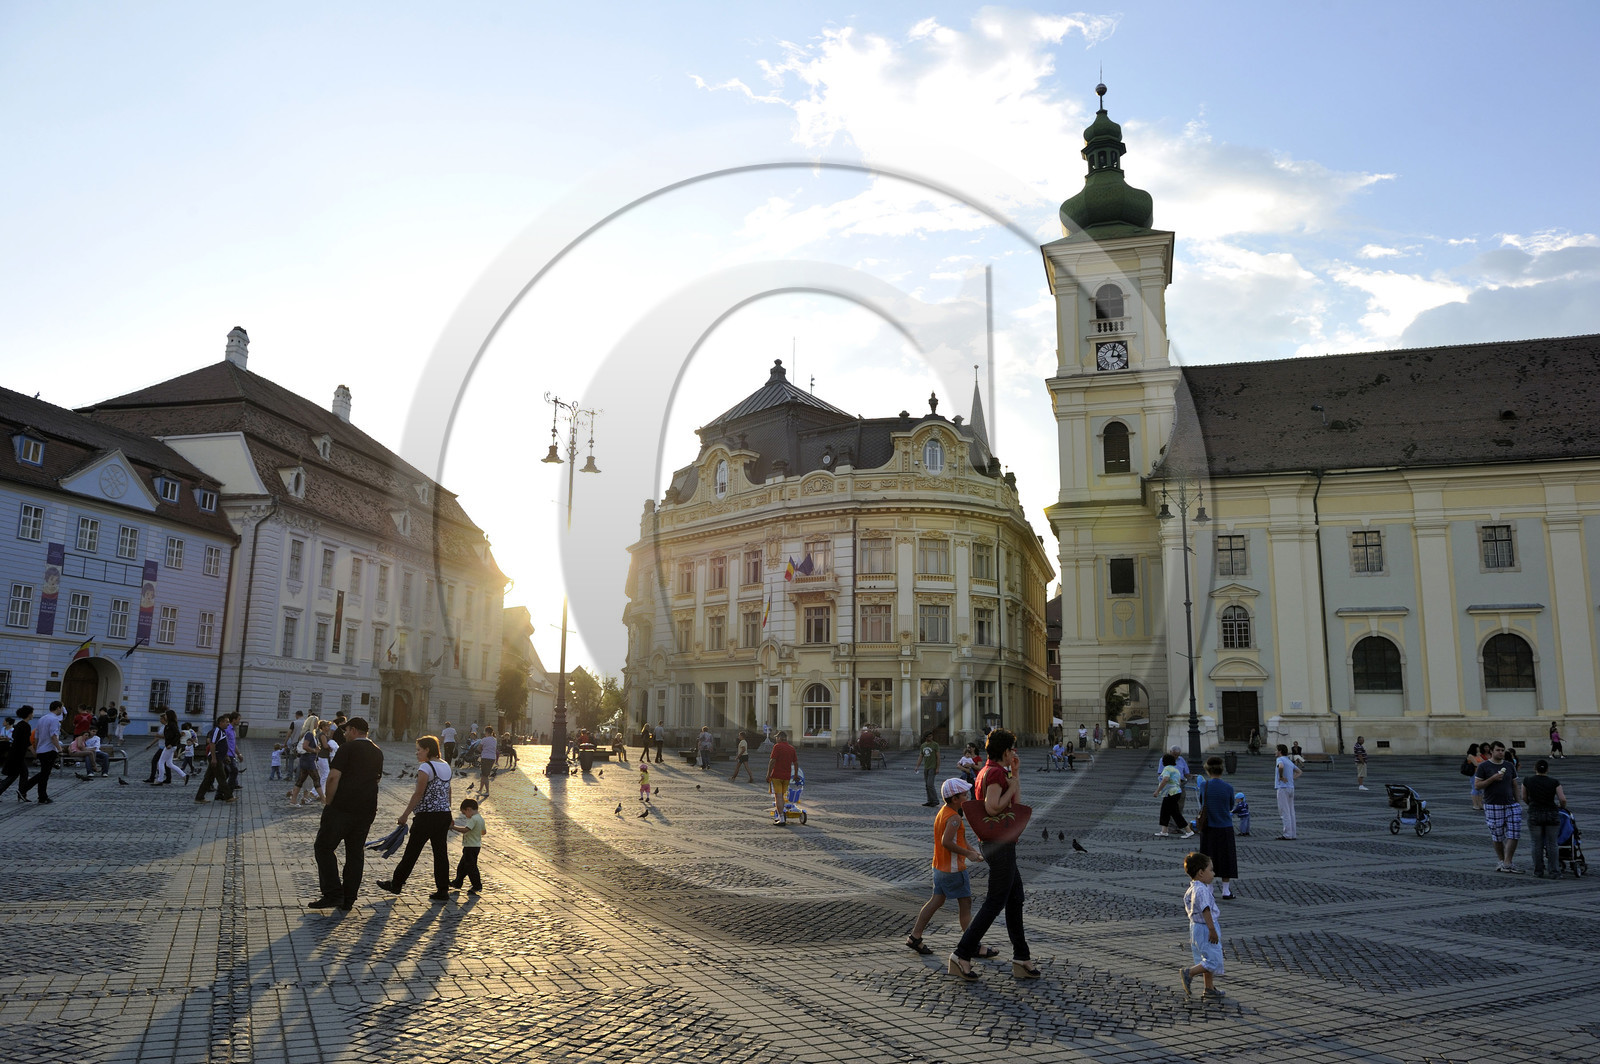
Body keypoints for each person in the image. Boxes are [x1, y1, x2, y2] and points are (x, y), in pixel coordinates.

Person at [947, 728, 1036, 982]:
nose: (1014, 754)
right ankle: (961, 953)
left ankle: (1022, 957)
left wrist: (1015, 776)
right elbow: (993, 807)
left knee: (1015, 898)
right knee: (995, 902)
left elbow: (1014, 804)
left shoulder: (991, 771)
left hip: (998, 843)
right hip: (999, 845)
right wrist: (1011, 784)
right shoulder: (995, 773)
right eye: (1012, 750)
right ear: (1006, 751)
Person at [905, 778, 990, 956]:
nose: (968, 796)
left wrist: (974, 852)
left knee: (936, 901)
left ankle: (915, 936)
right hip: (953, 869)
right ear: (955, 798)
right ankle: (972, 945)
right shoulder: (954, 818)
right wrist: (968, 855)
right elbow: (946, 842)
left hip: (940, 867)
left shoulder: (944, 811)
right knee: (965, 903)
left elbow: (960, 839)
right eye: (965, 794)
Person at [309, 716, 384, 911]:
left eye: (345, 730)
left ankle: (333, 893)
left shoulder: (347, 748)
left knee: (324, 847)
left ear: (353, 730)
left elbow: (333, 777)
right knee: (355, 853)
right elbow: (376, 780)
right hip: (366, 809)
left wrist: (329, 801)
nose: (344, 734)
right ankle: (348, 898)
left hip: (342, 808)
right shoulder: (377, 751)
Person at [378, 735, 454, 902]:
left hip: (426, 816)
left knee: (412, 852)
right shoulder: (446, 765)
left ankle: (396, 884)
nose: (416, 753)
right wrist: (449, 812)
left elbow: (418, 794)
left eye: (419, 749)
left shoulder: (425, 768)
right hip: (443, 815)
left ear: (428, 750)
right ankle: (443, 890)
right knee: (440, 853)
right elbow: (448, 791)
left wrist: (405, 814)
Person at [1179, 851, 1224, 1000]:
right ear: (1200, 873)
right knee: (1213, 960)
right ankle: (1189, 973)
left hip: (1196, 927)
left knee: (1206, 956)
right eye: (1210, 870)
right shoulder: (1201, 890)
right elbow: (1206, 910)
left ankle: (1209, 988)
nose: (1213, 873)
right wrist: (1212, 929)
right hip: (1205, 927)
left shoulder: (1192, 889)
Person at [1474, 740, 1523, 873]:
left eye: (1502, 750)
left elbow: (1514, 784)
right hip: (1492, 804)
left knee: (1514, 833)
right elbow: (1477, 785)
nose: (1501, 752)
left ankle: (1508, 862)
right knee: (1497, 836)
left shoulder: (1509, 765)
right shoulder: (1484, 766)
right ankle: (1502, 861)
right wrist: (1492, 779)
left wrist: (1518, 802)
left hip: (1511, 804)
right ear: (1491, 751)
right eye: (1498, 750)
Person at [1196, 757, 1238, 899]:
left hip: (1209, 827)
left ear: (1208, 770)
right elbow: (1231, 806)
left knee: (1208, 858)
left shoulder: (1204, 786)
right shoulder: (1228, 787)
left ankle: (1210, 888)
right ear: (1222, 770)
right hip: (1225, 826)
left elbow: (1202, 803)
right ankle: (1226, 890)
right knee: (1226, 857)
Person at [1522, 759, 1568, 879]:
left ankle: (1538, 871)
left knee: (1536, 844)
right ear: (1547, 769)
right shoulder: (1554, 782)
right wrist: (1561, 807)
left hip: (1534, 813)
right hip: (1551, 813)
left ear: (1534, 768)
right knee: (1552, 844)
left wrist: (1530, 804)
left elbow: (1524, 797)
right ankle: (1554, 872)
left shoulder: (1527, 781)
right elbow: (1562, 799)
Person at [21, 701, 66, 804]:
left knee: (44, 774)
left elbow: (36, 736)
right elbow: (54, 736)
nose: (62, 710)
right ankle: (30, 791)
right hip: (49, 750)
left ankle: (40, 795)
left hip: (41, 749)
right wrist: (59, 749)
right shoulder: (54, 720)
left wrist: (37, 749)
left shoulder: (42, 718)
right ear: (58, 708)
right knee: (44, 774)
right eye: (61, 708)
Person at [450, 797, 486, 893]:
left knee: (471, 867)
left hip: (470, 846)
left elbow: (465, 829)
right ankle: (457, 882)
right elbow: (483, 832)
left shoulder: (473, 819)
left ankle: (477, 885)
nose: (465, 815)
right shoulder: (480, 818)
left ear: (469, 809)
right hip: (476, 845)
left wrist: (453, 827)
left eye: (464, 813)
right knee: (463, 866)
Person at [1152, 753, 1190, 838]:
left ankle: (1188, 830)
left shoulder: (1167, 769)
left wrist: (1157, 791)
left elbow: (1165, 779)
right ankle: (1164, 831)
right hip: (1176, 792)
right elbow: (1179, 781)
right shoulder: (1175, 769)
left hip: (1170, 793)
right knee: (1165, 811)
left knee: (1174, 813)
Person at [0, 706, 34, 801]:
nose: (32, 715)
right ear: (28, 714)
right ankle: (22, 792)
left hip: (15, 753)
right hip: (18, 754)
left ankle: (22, 793)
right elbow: (27, 741)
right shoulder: (26, 726)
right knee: (14, 775)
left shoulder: (18, 725)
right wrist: (33, 751)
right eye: (32, 713)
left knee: (22, 773)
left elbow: (15, 737)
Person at [288, 716, 323, 806]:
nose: (317, 724)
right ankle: (324, 799)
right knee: (316, 779)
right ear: (312, 723)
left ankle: (293, 800)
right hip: (309, 760)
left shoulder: (309, 734)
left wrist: (315, 748)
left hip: (305, 760)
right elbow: (305, 746)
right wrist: (314, 750)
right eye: (316, 722)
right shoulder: (309, 734)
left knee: (301, 780)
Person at [766, 730, 798, 826]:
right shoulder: (791, 748)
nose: (776, 739)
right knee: (782, 796)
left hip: (777, 775)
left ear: (780, 738)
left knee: (778, 796)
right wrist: (795, 775)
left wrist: (768, 774)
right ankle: (779, 816)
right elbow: (796, 763)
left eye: (776, 737)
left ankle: (781, 817)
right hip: (787, 776)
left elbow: (772, 761)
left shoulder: (777, 747)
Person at [1273, 744, 1300, 840]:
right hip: (1291, 787)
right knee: (1291, 811)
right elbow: (1299, 771)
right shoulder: (1289, 760)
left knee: (1284, 811)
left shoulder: (1280, 759)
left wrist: (1280, 776)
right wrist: (1291, 778)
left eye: (1276, 750)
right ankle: (1293, 833)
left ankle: (1287, 834)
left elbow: (1280, 766)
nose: (1275, 752)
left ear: (1280, 751)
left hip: (1282, 788)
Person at [915, 732, 940, 807]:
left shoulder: (935, 745)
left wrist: (937, 768)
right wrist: (917, 766)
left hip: (933, 767)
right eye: (929, 737)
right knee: (927, 785)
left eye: (931, 736)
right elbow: (920, 756)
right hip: (926, 767)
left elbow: (938, 757)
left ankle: (935, 800)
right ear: (926, 738)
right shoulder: (923, 745)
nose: (930, 738)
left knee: (930, 784)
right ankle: (930, 800)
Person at [477, 726, 498, 797]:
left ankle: (487, 791)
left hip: (485, 757)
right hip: (492, 758)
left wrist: (482, 751)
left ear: (487, 732)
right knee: (484, 774)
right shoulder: (494, 740)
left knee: (485, 775)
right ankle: (480, 789)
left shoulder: (484, 739)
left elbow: (479, 748)